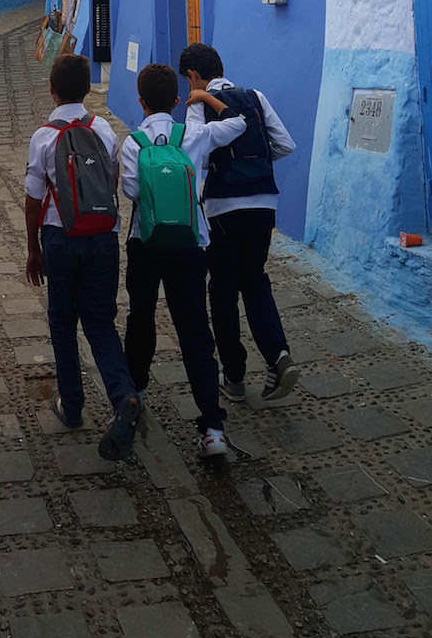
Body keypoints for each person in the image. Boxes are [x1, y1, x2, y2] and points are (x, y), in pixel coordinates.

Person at [120, 63, 247, 456]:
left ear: (140, 101)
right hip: (193, 243)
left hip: (146, 243)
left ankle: (135, 393)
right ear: (176, 101)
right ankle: (211, 426)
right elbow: (239, 124)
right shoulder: (194, 133)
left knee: (141, 319)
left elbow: (130, 192)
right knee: (194, 328)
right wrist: (208, 99)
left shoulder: (132, 142)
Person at [24, 54, 141, 461]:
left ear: (51, 91)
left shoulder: (43, 136)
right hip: (103, 237)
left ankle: (71, 407)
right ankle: (123, 395)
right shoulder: (104, 129)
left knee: (61, 321)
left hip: (59, 237)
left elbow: (33, 198)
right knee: (100, 321)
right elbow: (111, 178)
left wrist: (32, 248)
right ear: (89, 89)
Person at [179, 43, 298, 403]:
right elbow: (285, 145)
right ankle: (278, 356)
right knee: (255, 279)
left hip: (223, 208)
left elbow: (194, 150)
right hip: (264, 202)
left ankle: (234, 376)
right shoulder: (255, 96)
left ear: (192, 76)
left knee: (223, 290)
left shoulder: (198, 103)